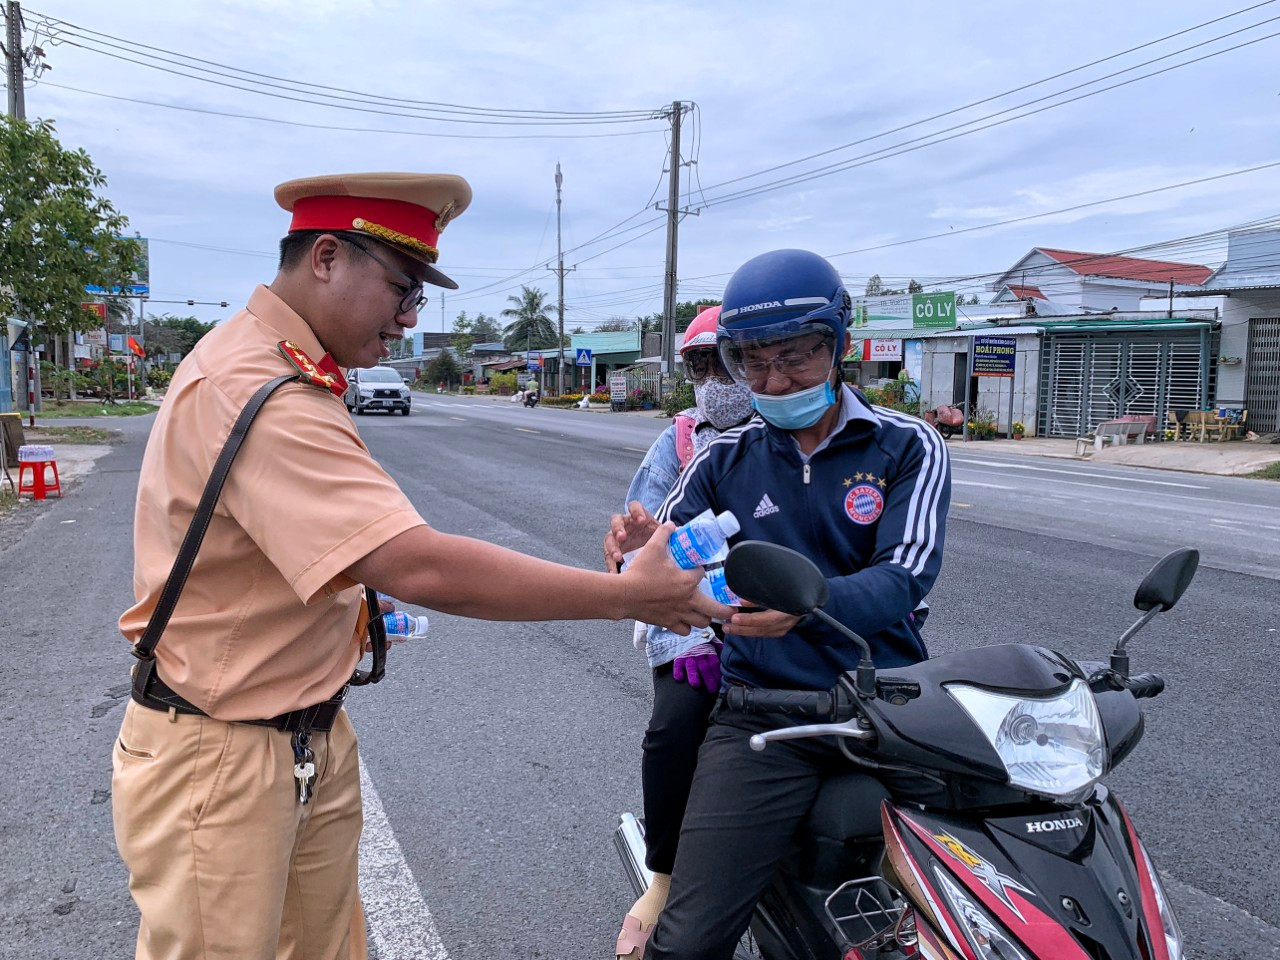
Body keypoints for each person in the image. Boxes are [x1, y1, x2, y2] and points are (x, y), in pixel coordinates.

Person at [112, 171, 731, 960]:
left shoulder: (287, 366)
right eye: (402, 290)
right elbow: (419, 562)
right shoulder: (263, 388)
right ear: (327, 257)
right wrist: (629, 598)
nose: (408, 321)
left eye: (418, 301)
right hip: (224, 755)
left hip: (296, 736)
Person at [605, 249, 951, 960]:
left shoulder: (906, 445)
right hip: (760, 711)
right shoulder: (721, 458)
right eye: (753, 364)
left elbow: (904, 576)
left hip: (885, 703)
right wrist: (638, 554)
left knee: (978, 904)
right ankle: (666, 880)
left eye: (795, 358)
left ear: (840, 347)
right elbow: (660, 568)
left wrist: (809, 607)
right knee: (686, 945)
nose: (773, 380)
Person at [606, 307, 757, 960]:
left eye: (724, 362)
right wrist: (635, 549)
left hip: (785, 613)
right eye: (699, 366)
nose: (714, 379)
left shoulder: (792, 432)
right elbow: (642, 548)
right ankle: (665, 875)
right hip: (695, 623)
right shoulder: (682, 441)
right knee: (674, 727)